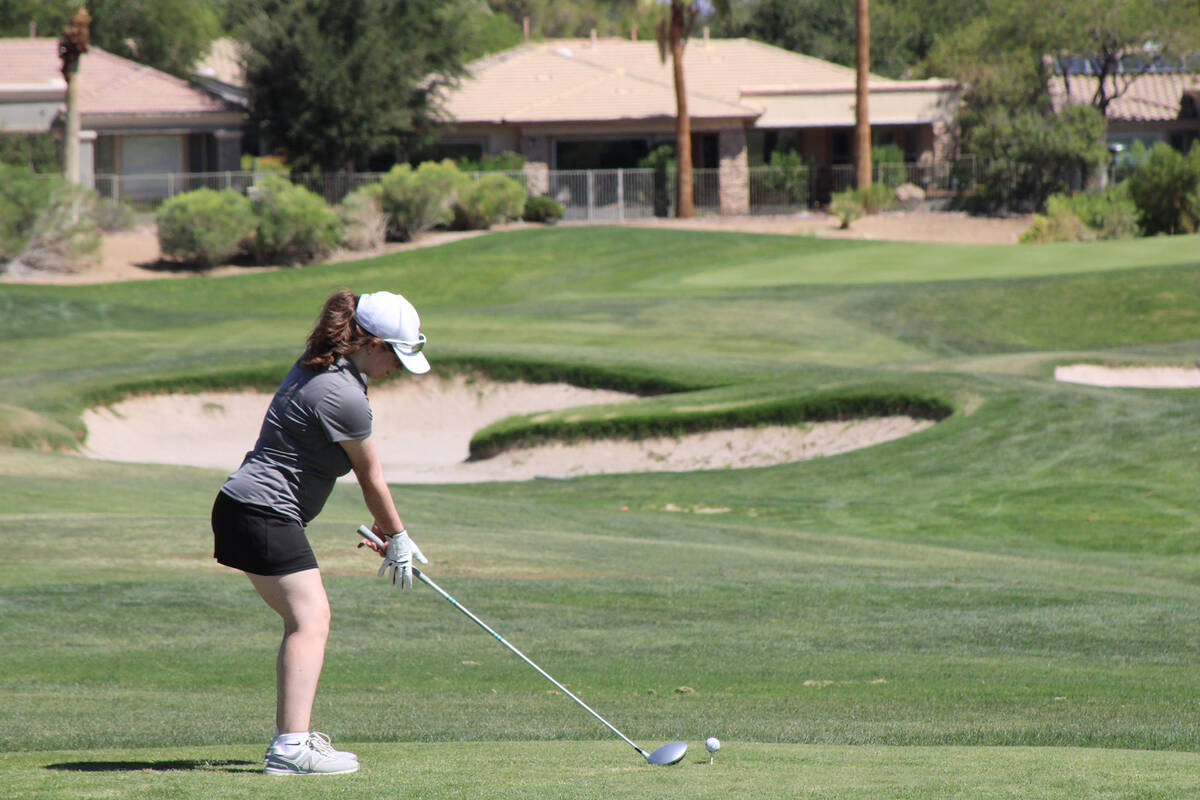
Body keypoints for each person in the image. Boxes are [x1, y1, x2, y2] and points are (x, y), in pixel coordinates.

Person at [210, 288, 430, 775]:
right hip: (260, 512)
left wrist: (388, 532)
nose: (397, 368)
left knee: (306, 619)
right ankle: (290, 748)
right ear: (371, 344)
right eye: (395, 355)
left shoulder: (324, 366)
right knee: (310, 620)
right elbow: (370, 475)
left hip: (248, 508)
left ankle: (294, 741)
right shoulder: (344, 394)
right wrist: (398, 539)